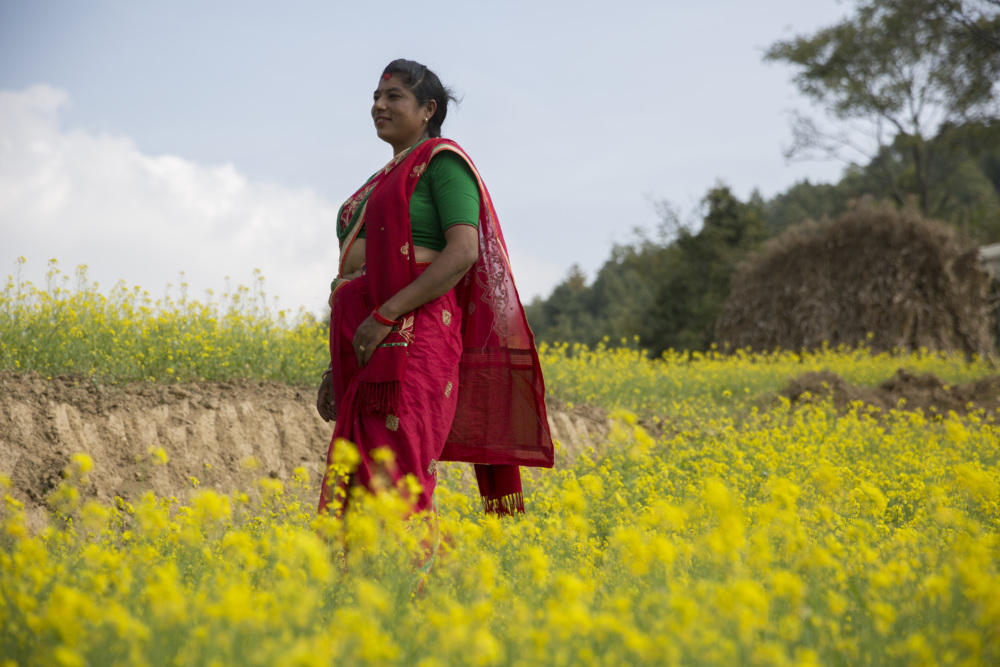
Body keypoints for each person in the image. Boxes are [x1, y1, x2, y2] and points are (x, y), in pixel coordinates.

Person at [315, 59, 553, 521]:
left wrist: (386, 314)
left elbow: (463, 251)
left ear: (428, 109)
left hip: (412, 334)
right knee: (359, 484)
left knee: (396, 479)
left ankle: (409, 589)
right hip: (364, 339)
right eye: (375, 99)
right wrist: (334, 362)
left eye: (393, 97)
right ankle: (357, 592)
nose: (379, 106)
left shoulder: (443, 163)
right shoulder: (379, 182)